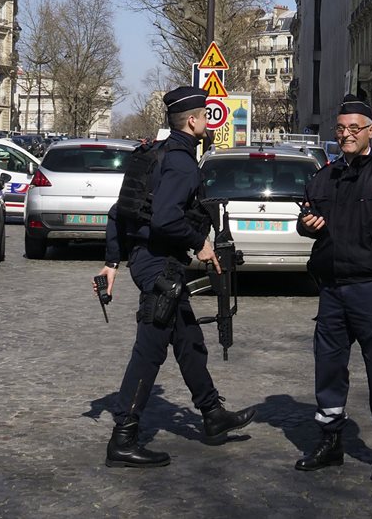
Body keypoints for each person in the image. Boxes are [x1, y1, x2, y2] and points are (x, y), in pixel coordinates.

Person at [93, 86, 255, 468]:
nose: (207, 123)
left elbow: (119, 211)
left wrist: (112, 264)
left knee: (187, 339)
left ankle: (213, 415)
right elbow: (166, 219)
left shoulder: (156, 154)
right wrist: (200, 242)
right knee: (149, 351)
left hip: (148, 259)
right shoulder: (181, 162)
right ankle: (123, 438)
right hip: (160, 264)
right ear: (195, 121)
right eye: (205, 117)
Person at [294, 94, 372, 481]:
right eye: (341, 129)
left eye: (354, 129)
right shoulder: (323, 176)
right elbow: (306, 219)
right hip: (332, 291)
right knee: (328, 368)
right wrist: (306, 225)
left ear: (370, 131)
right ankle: (330, 441)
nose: (347, 135)